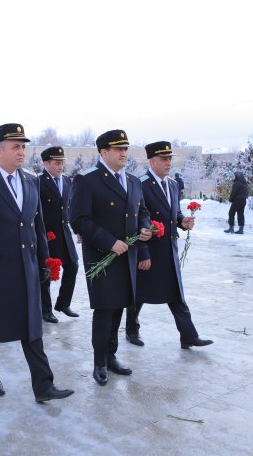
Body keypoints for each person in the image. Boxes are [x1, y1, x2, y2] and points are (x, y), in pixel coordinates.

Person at [0, 123, 74, 403]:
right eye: (15, 147)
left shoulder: (31, 180)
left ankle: (43, 385)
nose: (21, 151)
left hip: (26, 266)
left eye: (23, 146)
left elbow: (37, 224)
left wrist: (44, 260)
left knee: (32, 327)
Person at [70, 129, 151, 387]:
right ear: (104, 152)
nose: (124, 153)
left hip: (128, 255)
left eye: (125, 148)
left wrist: (145, 228)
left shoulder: (134, 181)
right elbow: (79, 219)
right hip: (101, 257)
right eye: (118, 149)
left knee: (120, 307)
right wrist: (109, 242)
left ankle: (111, 355)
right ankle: (99, 363)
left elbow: (142, 211)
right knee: (105, 310)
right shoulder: (87, 180)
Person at [126, 141, 213, 350]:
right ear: (152, 161)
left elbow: (173, 213)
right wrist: (142, 252)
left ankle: (188, 335)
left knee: (176, 293)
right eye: (163, 159)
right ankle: (131, 329)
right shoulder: (140, 184)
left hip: (168, 249)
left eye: (170, 159)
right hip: (150, 249)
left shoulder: (173, 184)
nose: (168, 163)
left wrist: (182, 221)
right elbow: (136, 220)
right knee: (139, 293)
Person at [38, 146, 80, 321]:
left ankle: (63, 303)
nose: (60, 166)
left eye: (62, 162)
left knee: (73, 266)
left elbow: (69, 208)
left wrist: (77, 230)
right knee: (46, 272)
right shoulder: (38, 181)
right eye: (56, 163)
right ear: (46, 163)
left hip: (64, 233)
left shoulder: (67, 181)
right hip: (47, 235)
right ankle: (45, 309)